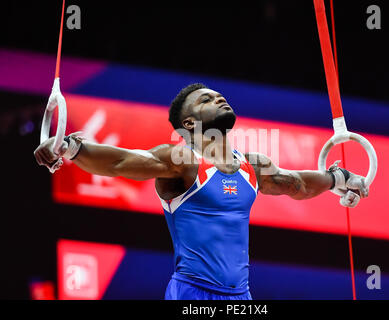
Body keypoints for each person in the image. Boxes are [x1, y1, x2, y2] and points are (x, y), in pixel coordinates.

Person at [34, 83, 368, 300]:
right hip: (193, 294)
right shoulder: (181, 162)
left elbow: (297, 184)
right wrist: (70, 146)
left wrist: (338, 178)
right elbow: (121, 161)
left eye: (218, 95)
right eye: (206, 99)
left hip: (241, 298)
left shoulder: (253, 166)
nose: (219, 97)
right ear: (190, 124)